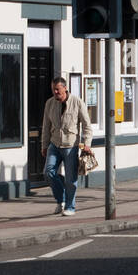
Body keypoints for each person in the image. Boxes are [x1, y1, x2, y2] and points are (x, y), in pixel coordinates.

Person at [41, 77, 93, 215]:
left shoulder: (77, 102)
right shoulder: (50, 103)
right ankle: (61, 199)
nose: (55, 92)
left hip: (71, 145)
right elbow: (46, 126)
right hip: (54, 143)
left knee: (71, 179)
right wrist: (44, 145)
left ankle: (70, 207)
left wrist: (87, 144)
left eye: (58, 89)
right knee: (48, 172)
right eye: (53, 89)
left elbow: (87, 125)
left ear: (65, 88)